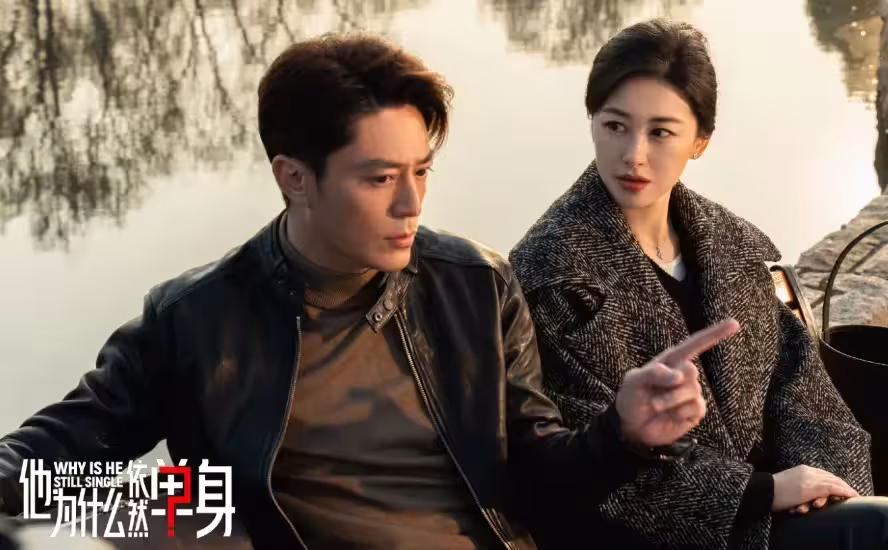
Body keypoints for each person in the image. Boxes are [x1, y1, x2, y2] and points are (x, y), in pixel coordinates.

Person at [0, 33, 739, 549]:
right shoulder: (195, 321)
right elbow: (35, 470)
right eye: (381, 178)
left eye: (421, 171)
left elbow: (539, 479)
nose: (411, 203)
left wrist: (622, 434)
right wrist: (180, 515)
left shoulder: (476, 286)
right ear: (295, 177)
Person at [509, 18, 886, 550]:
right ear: (592, 121)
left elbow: (803, 391)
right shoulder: (550, 273)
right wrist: (760, 493)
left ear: (700, 141)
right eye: (615, 126)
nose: (634, 154)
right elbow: (585, 458)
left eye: (661, 132)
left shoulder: (730, 243)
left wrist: (829, 490)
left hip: (789, 511)